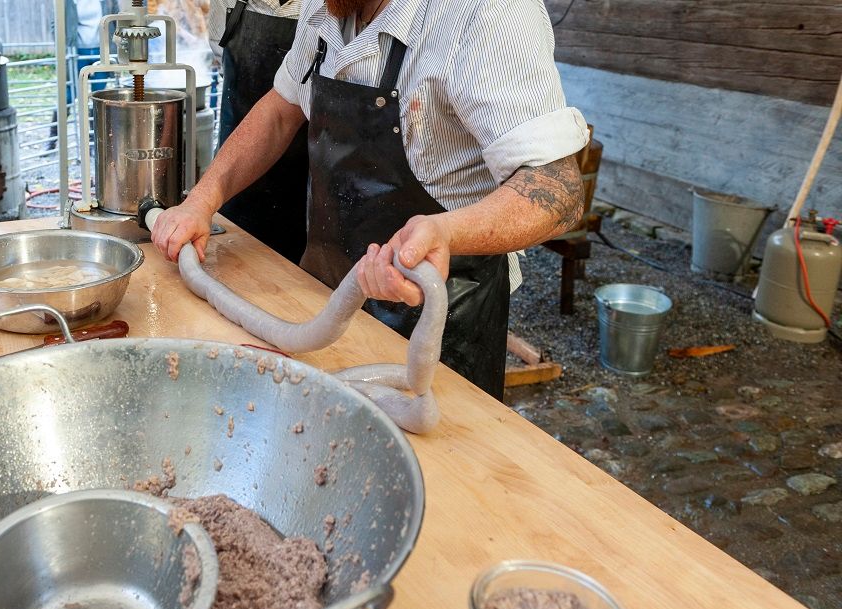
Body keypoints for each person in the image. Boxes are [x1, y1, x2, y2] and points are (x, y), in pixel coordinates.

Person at [152, 0, 588, 399]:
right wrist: (202, 199)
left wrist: (444, 231)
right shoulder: (324, 11)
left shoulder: (484, 16)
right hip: (327, 306)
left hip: (441, 328)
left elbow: (558, 189)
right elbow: (281, 107)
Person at [206, 0, 308, 264]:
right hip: (238, 186)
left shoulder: (330, 10)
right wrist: (203, 198)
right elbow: (220, 57)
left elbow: (285, 110)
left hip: (310, 198)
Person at [49, 0, 118, 149]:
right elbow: (56, 24)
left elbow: (117, 21)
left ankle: (94, 142)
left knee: (98, 96)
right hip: (76, 52)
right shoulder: (67, 2)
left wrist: (117, 46)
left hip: (102, 52)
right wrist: (62, 47)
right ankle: (52, 138)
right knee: (67, 95)